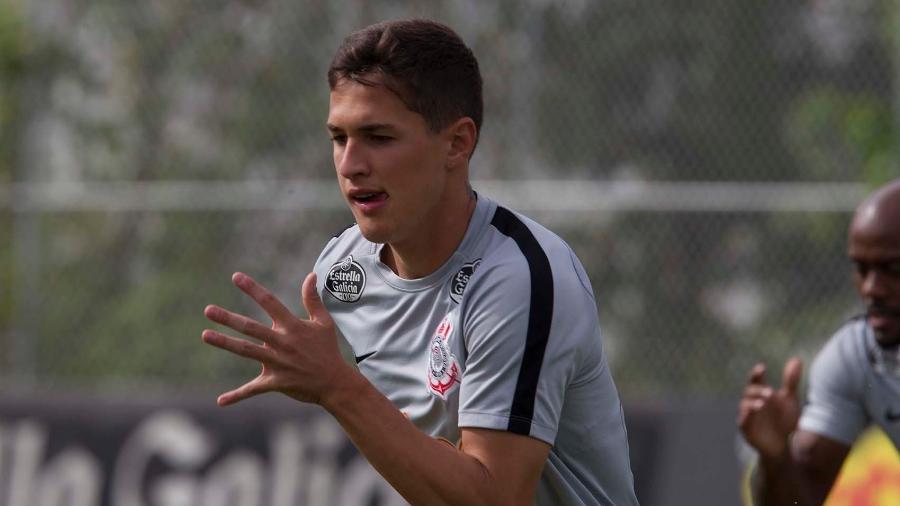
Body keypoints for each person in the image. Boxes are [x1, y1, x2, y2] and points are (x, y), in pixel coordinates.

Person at [201, 18, 639, 506]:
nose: (350, 165)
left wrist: (336, 386)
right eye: (339, 138)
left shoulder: (519, 278)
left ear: (457, 143)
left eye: (379, 137)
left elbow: (494, 498)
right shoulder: (342, 272)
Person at [738, 179, 900, 505]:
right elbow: (800, 500)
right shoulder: (855, 356)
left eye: (892, 268)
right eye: (861, 268)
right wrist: (776, 458)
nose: (872, 289)